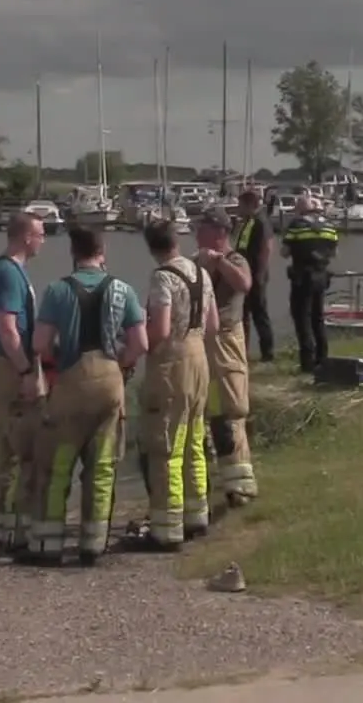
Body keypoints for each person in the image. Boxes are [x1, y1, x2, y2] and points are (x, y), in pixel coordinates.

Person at [23, 226, 147, 566]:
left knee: (57, 464)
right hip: (110, 381)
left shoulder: (57, 290)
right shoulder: (124, 289)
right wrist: (120, 365)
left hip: (72, 381)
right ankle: (94, 543)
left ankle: (48, 545)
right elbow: (141, 343)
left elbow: (39, 344)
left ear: (73, 253)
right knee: (103, 465)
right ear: (102, 252)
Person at [129, 217, 219, 552]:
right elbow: (213, 325)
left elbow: (161, 329)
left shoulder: (162, 277)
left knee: (166, 443)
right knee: (195, 438)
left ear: (151, 246)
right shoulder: (202, 273)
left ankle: (167, 527)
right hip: (200, 359)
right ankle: (198, 515)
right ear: (176, 241)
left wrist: (138, 342)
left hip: (173, 362)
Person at [0, 212, 43, 552]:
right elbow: (7, 327)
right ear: (25, 237)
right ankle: (8, 528)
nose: (43, 241)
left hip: (4, 364)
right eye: (40, 235)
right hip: (6, 367)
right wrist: (25, 372)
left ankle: (6, 526)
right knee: (14, 447)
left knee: (10, 450)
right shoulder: (6, 273)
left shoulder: (12, 271)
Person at [196, 206, 258, 505]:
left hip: (227, 340)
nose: (197, 234)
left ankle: (241, 487)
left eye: (203, 229)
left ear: (220, 233)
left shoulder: (234, 259)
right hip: (199, 342)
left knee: (232, 411)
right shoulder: (196, 261)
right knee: (203, 412)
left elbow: (244, 284)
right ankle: (207, 482)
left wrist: (218, 262)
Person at [281, 196, 339, 372]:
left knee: (302, 318)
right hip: (321, 277)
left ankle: (307, 362)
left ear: (301, 209)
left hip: (302, 277)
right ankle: (323, 358)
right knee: (318, 318)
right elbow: (335, 253)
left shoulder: (296, 225)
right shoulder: (330, 227)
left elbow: (284, 252)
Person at [232, 188, 278, 362]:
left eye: (240, 205)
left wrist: (259, 273)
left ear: (250, 204)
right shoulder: (249, 221)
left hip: (255, 275)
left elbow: (267, 247)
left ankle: (268, 353)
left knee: (259, 314)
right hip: (245, 273)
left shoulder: (260, 221)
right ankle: (242, 350)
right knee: (243, 314)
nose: (238, 208)